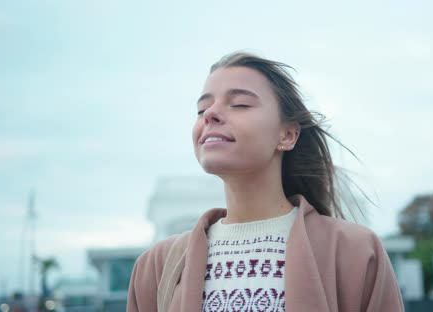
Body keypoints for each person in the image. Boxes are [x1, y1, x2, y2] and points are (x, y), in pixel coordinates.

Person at [127, 52, 405, 312]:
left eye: (240, 104)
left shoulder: (355, 252)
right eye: (201, 109)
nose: (210, 114)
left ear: (287, 135)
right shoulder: (156, 267)